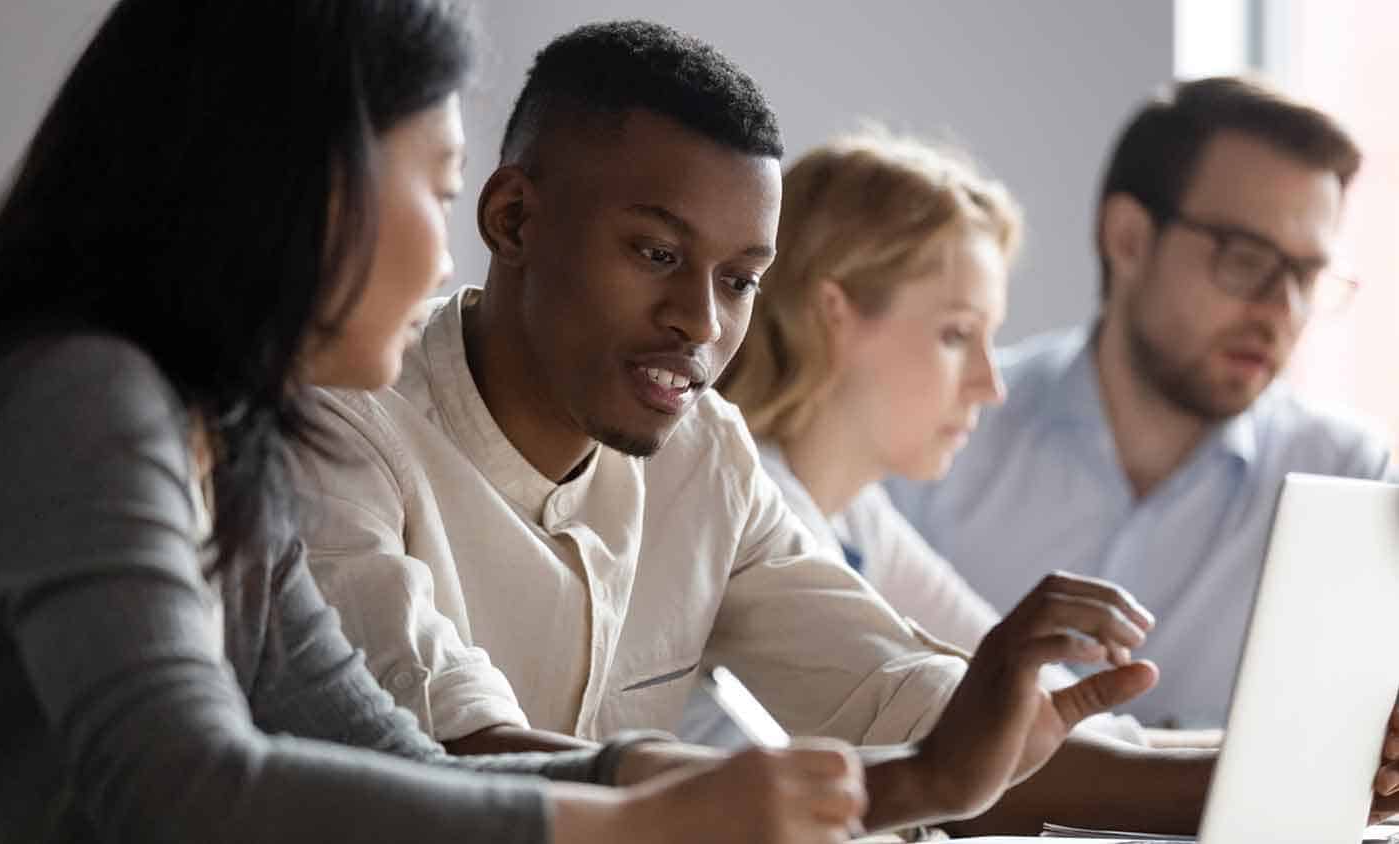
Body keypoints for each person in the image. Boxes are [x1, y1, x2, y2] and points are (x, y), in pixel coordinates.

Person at [293, 20, 1309, 837]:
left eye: (739, 281)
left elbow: (906, 705)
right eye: (654, 254)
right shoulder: (346, 429)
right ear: (512, 218)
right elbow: (453, 759)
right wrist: (923, 777)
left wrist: (1318, 786)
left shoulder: (704, 454)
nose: (700, 321)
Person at [0, 3, 875, 842]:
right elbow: (182, 785)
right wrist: (630, 822)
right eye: (443, 186)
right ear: (304, 177)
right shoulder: (79, 397)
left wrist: (635, 779)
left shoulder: (223, 443)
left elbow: (391, 757)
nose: (454, 261)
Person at [886, 76, 1397, 729]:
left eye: (1305, 276)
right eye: (1247, 260)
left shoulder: (1348, 479)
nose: (1281, 312)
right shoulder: (946, 427)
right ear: (1127, 238)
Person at [711, 129, 1158, 748]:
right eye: (956, 335)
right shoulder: (752, 503)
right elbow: (961, 730)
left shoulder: (856, 517)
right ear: (831, 314)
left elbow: (1050, 705)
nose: (990, 384)